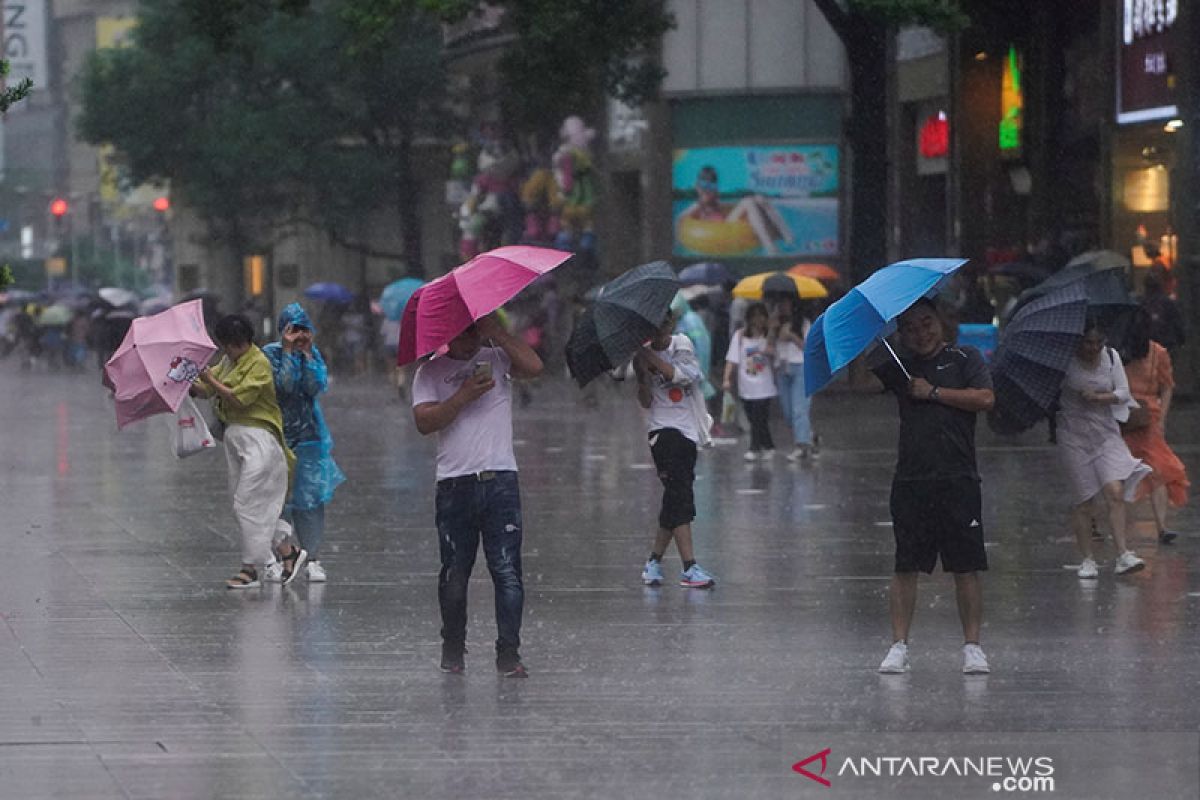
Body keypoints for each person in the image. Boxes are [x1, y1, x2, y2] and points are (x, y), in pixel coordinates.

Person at [411, 313, 542, 677]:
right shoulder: (430, 372)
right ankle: (452, 648)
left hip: (500, 479)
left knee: (507, 572)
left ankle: (509, 653)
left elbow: (534, 365)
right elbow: (424, 422)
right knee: (455, 573)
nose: (468, 339)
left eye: (473, 330)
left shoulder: (497, 358)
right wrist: (463, 396)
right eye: (461, 331)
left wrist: (497, 333)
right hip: (455, 483)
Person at [874, 299, 994, 675]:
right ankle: (898, 645)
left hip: (958, 479)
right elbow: (868, 367)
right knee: (905, 565)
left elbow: (985, 398)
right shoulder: (901, 366)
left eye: (927, 323)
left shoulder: (965, 358)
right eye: (910, 327)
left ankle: (972, 646)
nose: (921, 333)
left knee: (966, 566)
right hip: (911, 480)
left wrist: (934, 393)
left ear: (941, 322)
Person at [193, 315, 302, 589]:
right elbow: (206, 390)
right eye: (228, 346)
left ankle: (251, 567)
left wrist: (210, 380)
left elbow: (239, 397)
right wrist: (185, 380)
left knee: (248, 502)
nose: (231, 351)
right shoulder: (229, 361)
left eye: (235, 346)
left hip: (260, 440)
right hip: (235, 440)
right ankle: (288, 552)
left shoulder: (259, 363)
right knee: (250, 504)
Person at [1056, 319, 1151, 580]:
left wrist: (1100, 397)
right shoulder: (1064, 361)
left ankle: (1123, 553)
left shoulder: (1111, 357)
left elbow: (1123, 393)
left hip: (1106, 432)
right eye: (1088, 342)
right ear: (1078, 341)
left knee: (1115, 491)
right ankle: (1088, 559)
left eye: (1099, 342)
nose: (1094, 347)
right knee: (1084, 500)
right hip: (1073, 435)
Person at [633, 312, 717, 590]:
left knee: (676, 496)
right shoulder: (641, 355)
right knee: (679, 494)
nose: (660, 331)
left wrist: (646, 357)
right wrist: (642, 376)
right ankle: (689, 566)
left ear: (670, 325)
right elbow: (645, 401)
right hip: (662, 431)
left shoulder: (681, 344)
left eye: (664, 324)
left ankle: (654, 561)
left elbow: (682, 376)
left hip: (688, 430)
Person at [263, 303, 345, 582]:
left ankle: (313, 556)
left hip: (310, 437)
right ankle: (281, 555)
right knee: (278, 500)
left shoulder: (312, 354)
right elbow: (282, 386)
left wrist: (307, 353)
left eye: (303, 329)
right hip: (279, 435)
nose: (298, 335)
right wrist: (287, 351)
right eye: (292, 329)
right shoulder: (270, 354)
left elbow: (316, 386)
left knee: (310, 502)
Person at [1121, 308, 1188, 544]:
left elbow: (1167, 385)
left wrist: (1161, 419)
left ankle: (1161, 526)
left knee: (1156, 470)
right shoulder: (1120, 353)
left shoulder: (1157, 353)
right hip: (1125, 417)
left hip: (1146, 419)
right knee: (1124, 473)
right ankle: (1120, 524)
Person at [678, 166, 795, 256]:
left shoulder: (716, 203)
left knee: (760, 199)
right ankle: (770, 248)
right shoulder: (698, 206)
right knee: (748, 201)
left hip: (727, 224)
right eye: (705, 186)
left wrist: (753, 202)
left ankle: (787, 237)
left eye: (712, 187)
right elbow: (681, 219)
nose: (708, 191)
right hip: (723, 230)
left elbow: (730, 208)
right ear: (698, 187)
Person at [723, 302, 777, 461]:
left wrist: (771, 339)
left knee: (759, 417)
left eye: (762, 316)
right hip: (746, 386)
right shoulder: (740, 337)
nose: (758, 320)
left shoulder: (768, 336)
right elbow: (731, 360)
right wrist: (726, 379)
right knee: (754, 417)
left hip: (765, 386)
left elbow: (776, 355)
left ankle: (754, 448)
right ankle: (768, 445)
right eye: (755, 316)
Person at [771, 298, 814, 461]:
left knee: (799, 409)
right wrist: (772, 330)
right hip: (782, 368)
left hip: (800, 367)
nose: (782, 306)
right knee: (788, 412)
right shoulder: (775, 324)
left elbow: (808, 348)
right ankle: (809, 436)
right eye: (780, 303)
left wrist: (791, 336)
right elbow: (768, 347)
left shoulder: (803, 324)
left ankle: (802, 446)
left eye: (786, 302)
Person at [1141, 271, 1185, 358]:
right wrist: (1180, 341)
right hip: (1166, 344)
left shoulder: (1141, 303)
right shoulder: (1167, 303)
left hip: (1146, 346)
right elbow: (1177, 323)